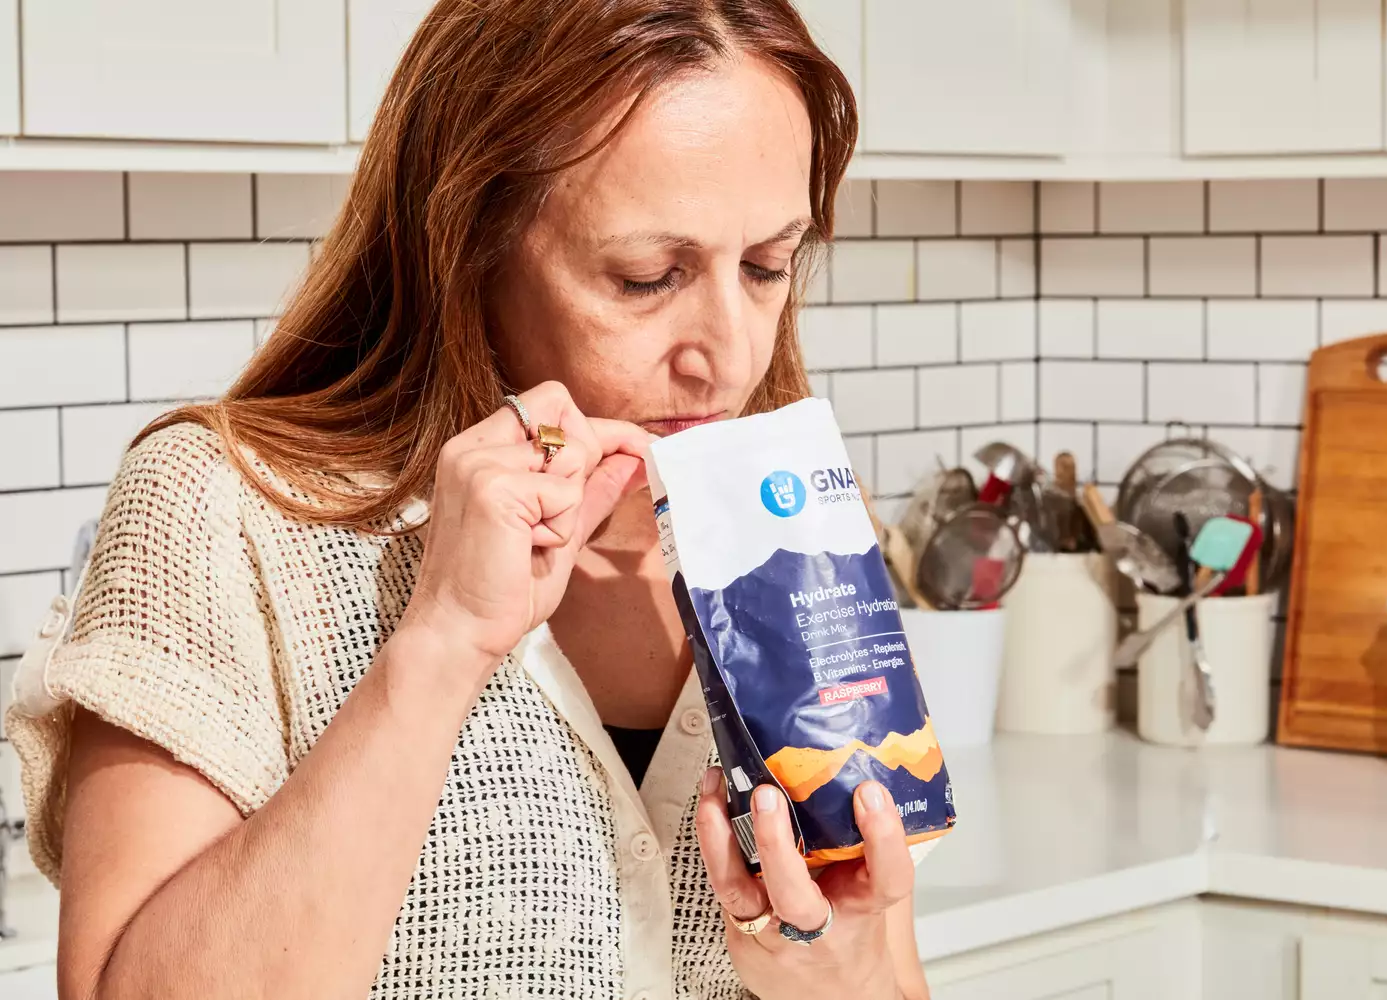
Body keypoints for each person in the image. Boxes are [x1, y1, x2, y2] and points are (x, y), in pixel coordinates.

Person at [5, 2, 933, 998]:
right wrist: (440, 640)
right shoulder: (221, 513)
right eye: (647, 276)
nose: (729, 355)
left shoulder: (802, 544)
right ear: (471, 246)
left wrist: (850, 970)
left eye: (766, 266)